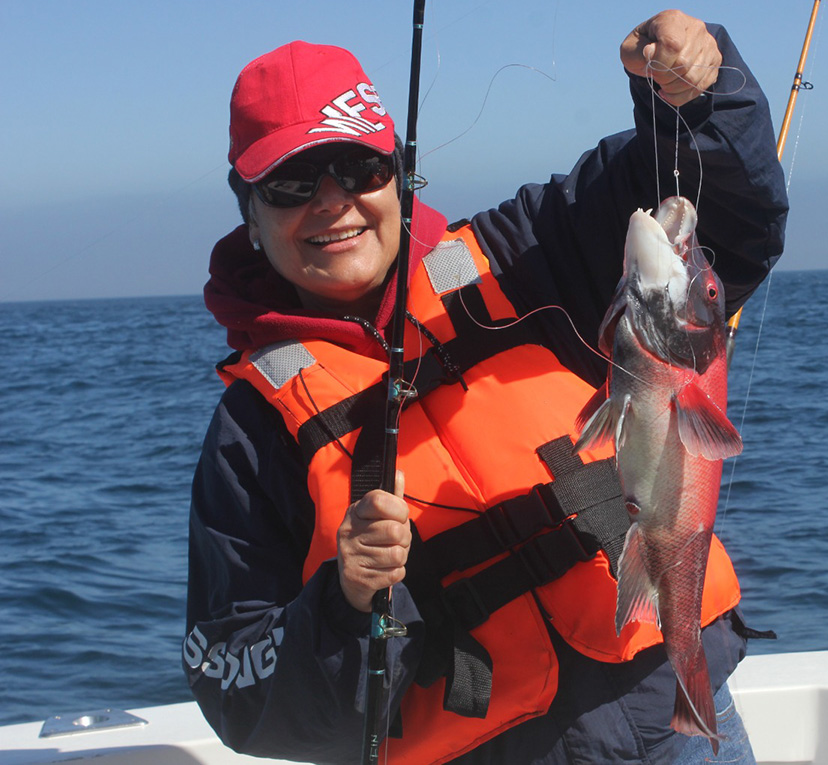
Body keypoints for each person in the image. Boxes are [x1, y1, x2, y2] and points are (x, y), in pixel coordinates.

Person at [183, 9, 788, 764]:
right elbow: (239, 693)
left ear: (399, 175)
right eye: (292, 183)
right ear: (249, 212)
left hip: (676, 723)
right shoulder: (252, 432)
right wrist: (344, 603)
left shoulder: (521, 255)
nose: (334, 203)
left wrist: (697, 90)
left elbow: (729, 222)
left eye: (361, 169)